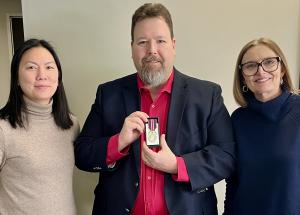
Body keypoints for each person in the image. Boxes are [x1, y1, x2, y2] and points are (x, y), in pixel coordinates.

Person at [75, 3, 235, 215]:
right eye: (142, 42)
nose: (152, 50)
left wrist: (177, 165)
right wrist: (117, 143)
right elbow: (83, 154)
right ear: (131, 48)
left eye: (160, 41)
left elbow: (226, 156)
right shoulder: (108, 94)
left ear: (173, 45)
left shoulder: (207, 95)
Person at [0, 39, 80, 215]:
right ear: (17, 78)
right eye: (31, 67)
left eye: (49, 67)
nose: (42, 75)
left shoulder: (71, 124)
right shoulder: (3, 129)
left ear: (58, 77)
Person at [223, 38, 300, 215]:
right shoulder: (237, 120)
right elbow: (233, 183)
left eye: (269, 62)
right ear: (243, 77)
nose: (260, 71)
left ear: (282, 70)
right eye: (250, 66)